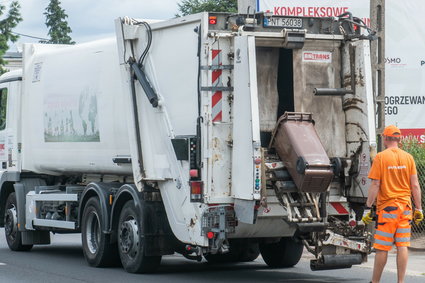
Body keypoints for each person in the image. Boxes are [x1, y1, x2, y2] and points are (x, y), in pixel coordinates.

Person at [362, 125, 423, 283]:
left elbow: (375, 185)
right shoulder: (408, 158)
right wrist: (419, 208)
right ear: (399, 139)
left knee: (382, 247)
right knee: (402, 245)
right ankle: (400, 282)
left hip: (387, 209)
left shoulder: (381, 158)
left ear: (386, 138)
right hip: (406, 209)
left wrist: (368, 207)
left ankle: (375, 282)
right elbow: (415, 185)